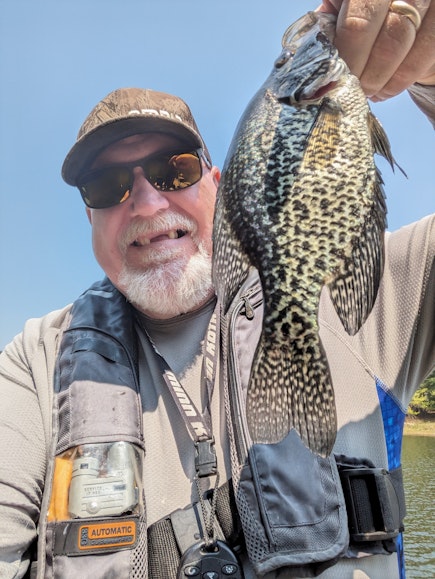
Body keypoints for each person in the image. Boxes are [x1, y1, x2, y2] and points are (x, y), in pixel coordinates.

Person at [0, 0, 434, 577]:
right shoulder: (36, 366)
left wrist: (430, 77)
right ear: (89, 218)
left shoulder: (366, 288)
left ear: (223, 185)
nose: (147, 203)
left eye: (174, 171)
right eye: (107, 185)